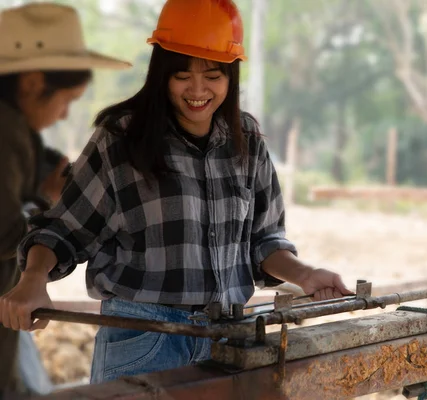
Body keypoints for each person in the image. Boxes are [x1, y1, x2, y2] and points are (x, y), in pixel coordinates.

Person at [0, 0, 351, 385]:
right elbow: (63, 230)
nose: (198, 90)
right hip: (143, 340)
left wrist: (306, 274)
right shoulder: (121, 139)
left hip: (229, 341)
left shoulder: (247, 140)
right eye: (182, 75)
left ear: (231, 76)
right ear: (161, 74)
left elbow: (264, 240)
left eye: (214, 75)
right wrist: (32, 279)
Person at [0, 2, 130, 397]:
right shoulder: (5, 134)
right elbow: (4, 232)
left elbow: (50, 172)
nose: (62, 116)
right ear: (33, 83)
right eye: (66, 100)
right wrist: (50, 209)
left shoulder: (17, 131)